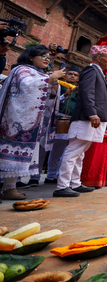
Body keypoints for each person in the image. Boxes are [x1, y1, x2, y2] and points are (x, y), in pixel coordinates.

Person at [0, 45, 65, 200]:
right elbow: (27, 84)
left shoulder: (38, 73)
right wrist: (50, 77)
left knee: (21, 155)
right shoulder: (22, 69)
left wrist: (52, 84)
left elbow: (45, 94)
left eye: (48, 58)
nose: (46, 59)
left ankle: (10, 187)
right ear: (30, 57)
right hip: (15, 120)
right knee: (8, 154)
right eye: (43, 56)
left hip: (30, 122)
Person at [54, 45, 107, 197]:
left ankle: (75, 183)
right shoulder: (91, 70)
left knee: (80, 153)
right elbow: (87, 92)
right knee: (74, 151)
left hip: (92, 118)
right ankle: (62, 186)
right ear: (99, 58)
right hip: (87, 118)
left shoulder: (98, 72)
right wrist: (92, 113)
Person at [80, 71, 107, 188]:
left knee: (102, 154)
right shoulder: (101, 89)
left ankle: (97, 181)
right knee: (91, 151)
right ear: (106, 78)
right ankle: (85, 180)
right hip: (96, 122)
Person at [45, 65, 80, 184]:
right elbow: (51, 101)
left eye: (76, 75)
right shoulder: (58, 85)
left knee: (67, 151)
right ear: (65, 75)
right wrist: (65, 95)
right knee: (55, 149)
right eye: (70, 74)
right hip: (56, 118)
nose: (73, 76)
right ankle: (50, 176)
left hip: (71, 122)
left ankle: (60, 175)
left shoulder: (79, 90)